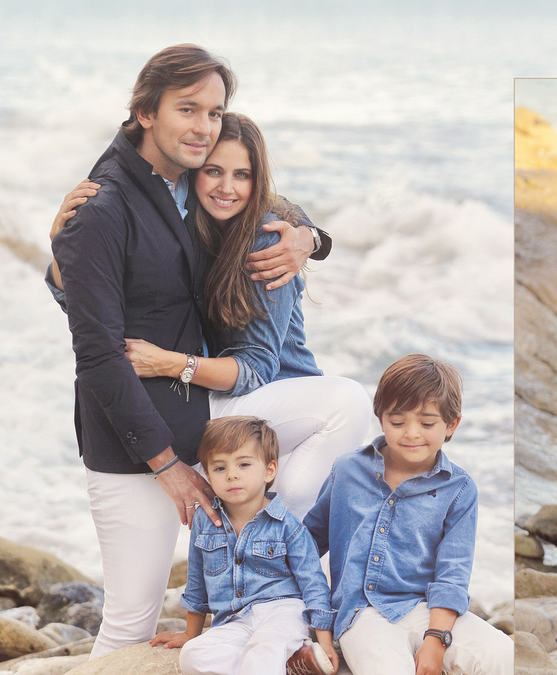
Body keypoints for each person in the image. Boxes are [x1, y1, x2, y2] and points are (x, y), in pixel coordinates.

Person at [51, 44, 325, 657]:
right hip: (132, 444)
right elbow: (97, 355)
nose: (204, 127)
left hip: (196, 420)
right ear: (144, 112)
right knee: (128, 624)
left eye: (215, 111)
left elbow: (256, 202)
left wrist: (311, 238)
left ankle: (268, 575)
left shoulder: (182, 187)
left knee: (344, 408)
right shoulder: (101, 209)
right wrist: (166, 467)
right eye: (188, 109)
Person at [94, 112, 371, 517]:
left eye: (242, 174)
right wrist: (63, 247)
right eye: (213, 171)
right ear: (193, 172)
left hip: (284, 401)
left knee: (347, 404)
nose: (227, 187)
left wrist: (170, 364)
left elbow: (256, 369)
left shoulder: (265, 239)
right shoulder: (183, 227)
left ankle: (280, 535)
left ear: (256, 181)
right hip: (223, 405)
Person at [306, 354, 512, 675]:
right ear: (380, 418)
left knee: (501, 653)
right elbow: (308, 540)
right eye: (397, 420)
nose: (411, 433)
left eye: (427, 421)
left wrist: (437, 641)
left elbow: (453, 572)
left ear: (452, 425)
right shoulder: (347, 471)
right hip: (361, 613)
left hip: (424, 609)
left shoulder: (460, 489)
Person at [149, 416, 335, 675]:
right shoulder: (205, 524)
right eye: (219, 468)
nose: (232, 474)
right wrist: (190, 635)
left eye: (243, 464)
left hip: (283, 611)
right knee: (192, 659)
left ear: (269, 471)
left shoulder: (287, 526)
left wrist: (325, 640)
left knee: (268, 641)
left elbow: (314, 585)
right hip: (234, 621)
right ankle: (290, 662)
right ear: (208, 476)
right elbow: (197, 584)